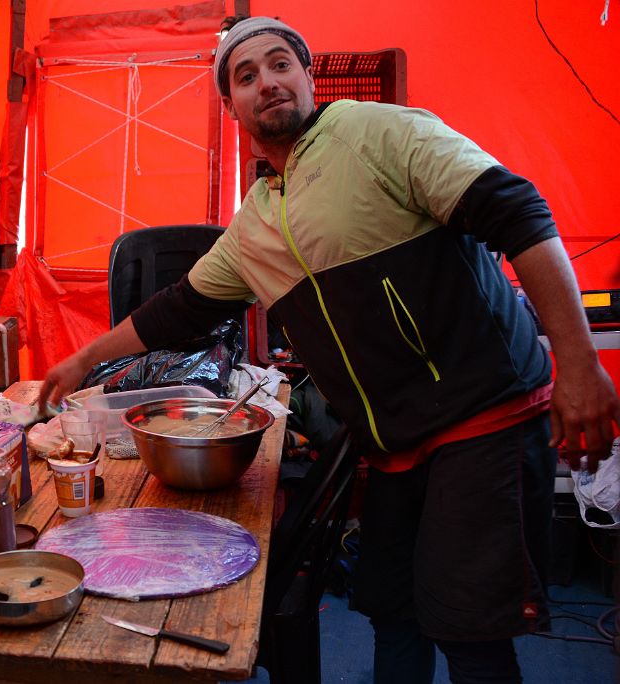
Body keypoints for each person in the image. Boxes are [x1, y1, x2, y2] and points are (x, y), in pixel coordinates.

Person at [38, 14, 620, 684]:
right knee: (392, 612)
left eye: (280, 64)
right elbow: (176, 311)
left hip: (483, 416)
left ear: (308, 76)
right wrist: (85, 359)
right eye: (246, 77)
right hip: (395, 446)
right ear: (232, 108)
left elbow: (520, 211)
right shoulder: (254, 220)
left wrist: (578, 364)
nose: (268, 83)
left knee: (470, 632)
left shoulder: (380, 132)